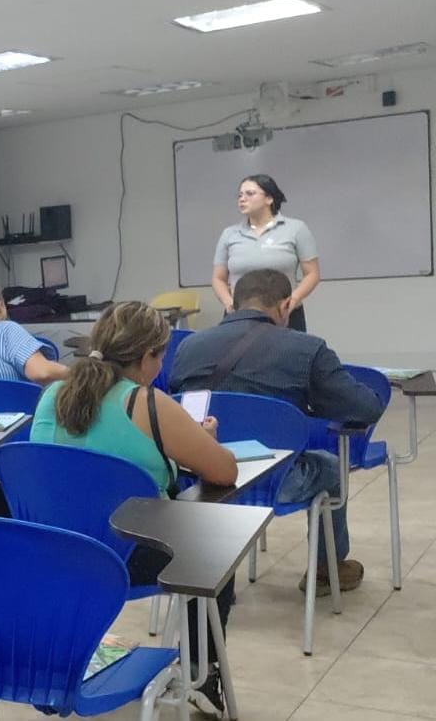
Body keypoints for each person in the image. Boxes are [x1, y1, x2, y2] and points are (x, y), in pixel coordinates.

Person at [30, 302, 238, 718]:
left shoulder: (52, 396)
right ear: (146, 358)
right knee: (216, 550)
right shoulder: (148, 403)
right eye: (160, 357)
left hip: (58, 554)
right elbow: (224, 472)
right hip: (130, 559)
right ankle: (201, 672)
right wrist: (204, 439)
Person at [171, 269, 383, 598]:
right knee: (330, 464)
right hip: (277, 484)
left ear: (233, 305)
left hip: (200, 484)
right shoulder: (306, 349)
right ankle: (327, 570)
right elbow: (365, 409)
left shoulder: (188, 347)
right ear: (286, 306)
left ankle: (204, 578)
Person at [212, 174, 320, 332]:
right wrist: (228, 302)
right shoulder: (229, 234)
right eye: (240, 195)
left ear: (269, 198)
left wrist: (294, 300)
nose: (242, 199)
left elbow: (312, 274)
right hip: (240, 314)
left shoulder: (296, 229)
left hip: (284, 313)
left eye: (250, 194)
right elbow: (218, 278)